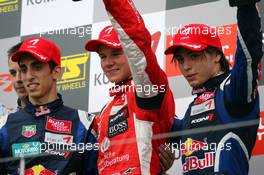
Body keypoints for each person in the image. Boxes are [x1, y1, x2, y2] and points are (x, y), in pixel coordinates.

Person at [166, 2, 263, 175]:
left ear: (217, 55)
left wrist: (246, 7)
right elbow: (159, 122)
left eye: (194, 56)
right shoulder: (192, 109)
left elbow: (248, 56)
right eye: (180, 60)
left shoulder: (232, 92)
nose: (186, 66)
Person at [85, 0, 175, 174]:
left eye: (116, 54)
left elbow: (138, 45)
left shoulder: (146, 90)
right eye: (103, 56)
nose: (108, 63)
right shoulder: (103, 113)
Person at [0, 37, 98, 175]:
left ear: (56, 72)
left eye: (37, 67)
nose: (28, 76)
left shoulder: (84, 123)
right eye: (24, 69)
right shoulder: (4, 126)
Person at [0, 42, 27, 117]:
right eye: (13, 73)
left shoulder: (58, 120)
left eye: (23, 71)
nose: (18, 79)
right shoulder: (4, 121)